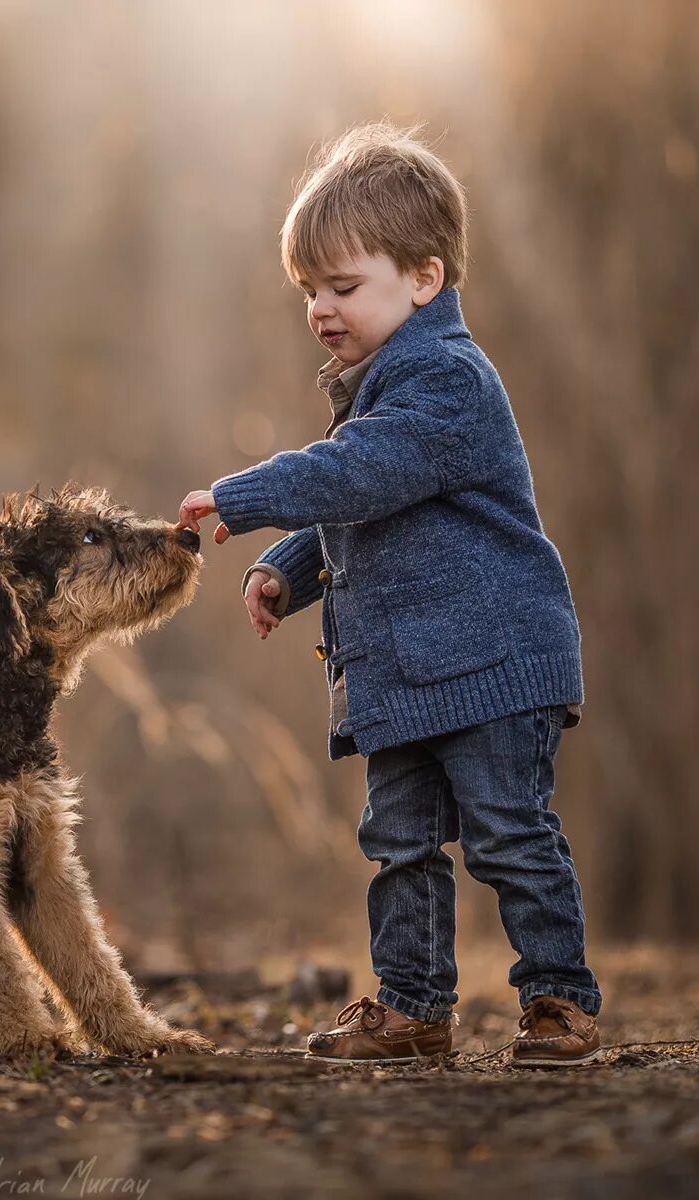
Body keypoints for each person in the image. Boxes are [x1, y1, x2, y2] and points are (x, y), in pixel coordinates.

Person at [178, 123, 601, 1067]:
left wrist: (244, 498)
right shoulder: (382, 385)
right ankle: (413, 1008)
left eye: (343, 285)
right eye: (309, 292)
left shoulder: (446, 379)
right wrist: (287, 569)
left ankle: (558, 1000)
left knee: (507, 835)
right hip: (409, 673)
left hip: (493, 662)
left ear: (424, 278)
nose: (322, 309)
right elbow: (370, 505)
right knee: (397, 844)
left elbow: (363, 473)